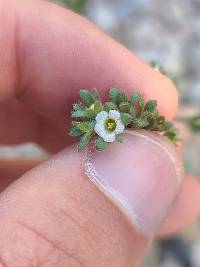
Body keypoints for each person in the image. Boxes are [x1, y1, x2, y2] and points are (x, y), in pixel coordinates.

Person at [0, 1, 199, 266]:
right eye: (107, 125)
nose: (108, 126)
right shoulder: (106, 122)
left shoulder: (114, 120)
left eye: (109, 125)